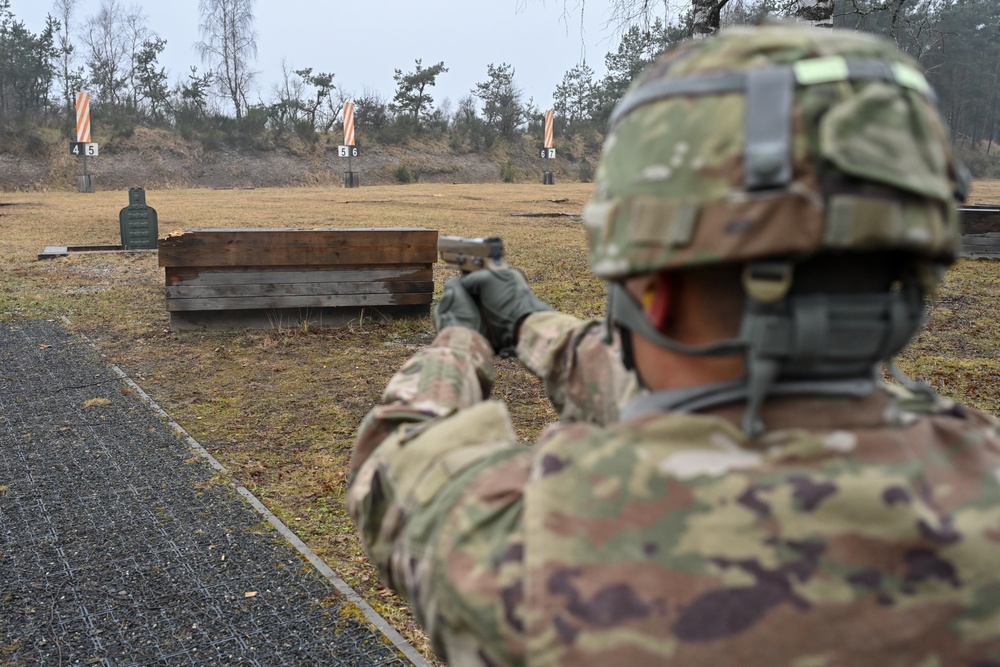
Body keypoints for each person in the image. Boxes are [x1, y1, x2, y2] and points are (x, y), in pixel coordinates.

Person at [347, 23, 1000, 667]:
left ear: (650, 285)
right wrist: (527, 324)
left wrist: (458, 343)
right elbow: (682, 381)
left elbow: (398, 466)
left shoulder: (538, 561)